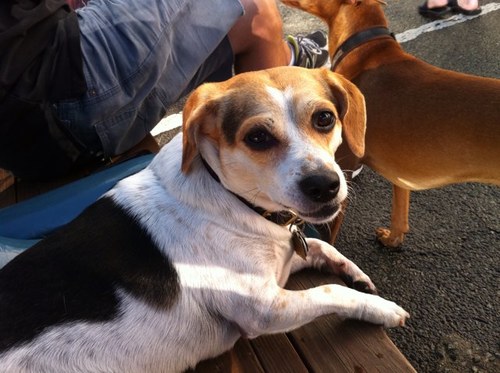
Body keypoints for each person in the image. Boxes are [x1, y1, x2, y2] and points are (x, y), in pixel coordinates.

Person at [0, 0, 329, 181]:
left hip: (26, 130)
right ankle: (285, 179)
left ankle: (288, 61)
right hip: (48, 84)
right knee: (256, 10)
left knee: (235, 22)